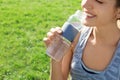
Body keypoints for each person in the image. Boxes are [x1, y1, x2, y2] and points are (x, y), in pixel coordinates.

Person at [43, 0, 120, 80]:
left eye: (99, 1)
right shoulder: (76, 33)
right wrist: (55, 55)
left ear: (118, 12)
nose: (85, 4)